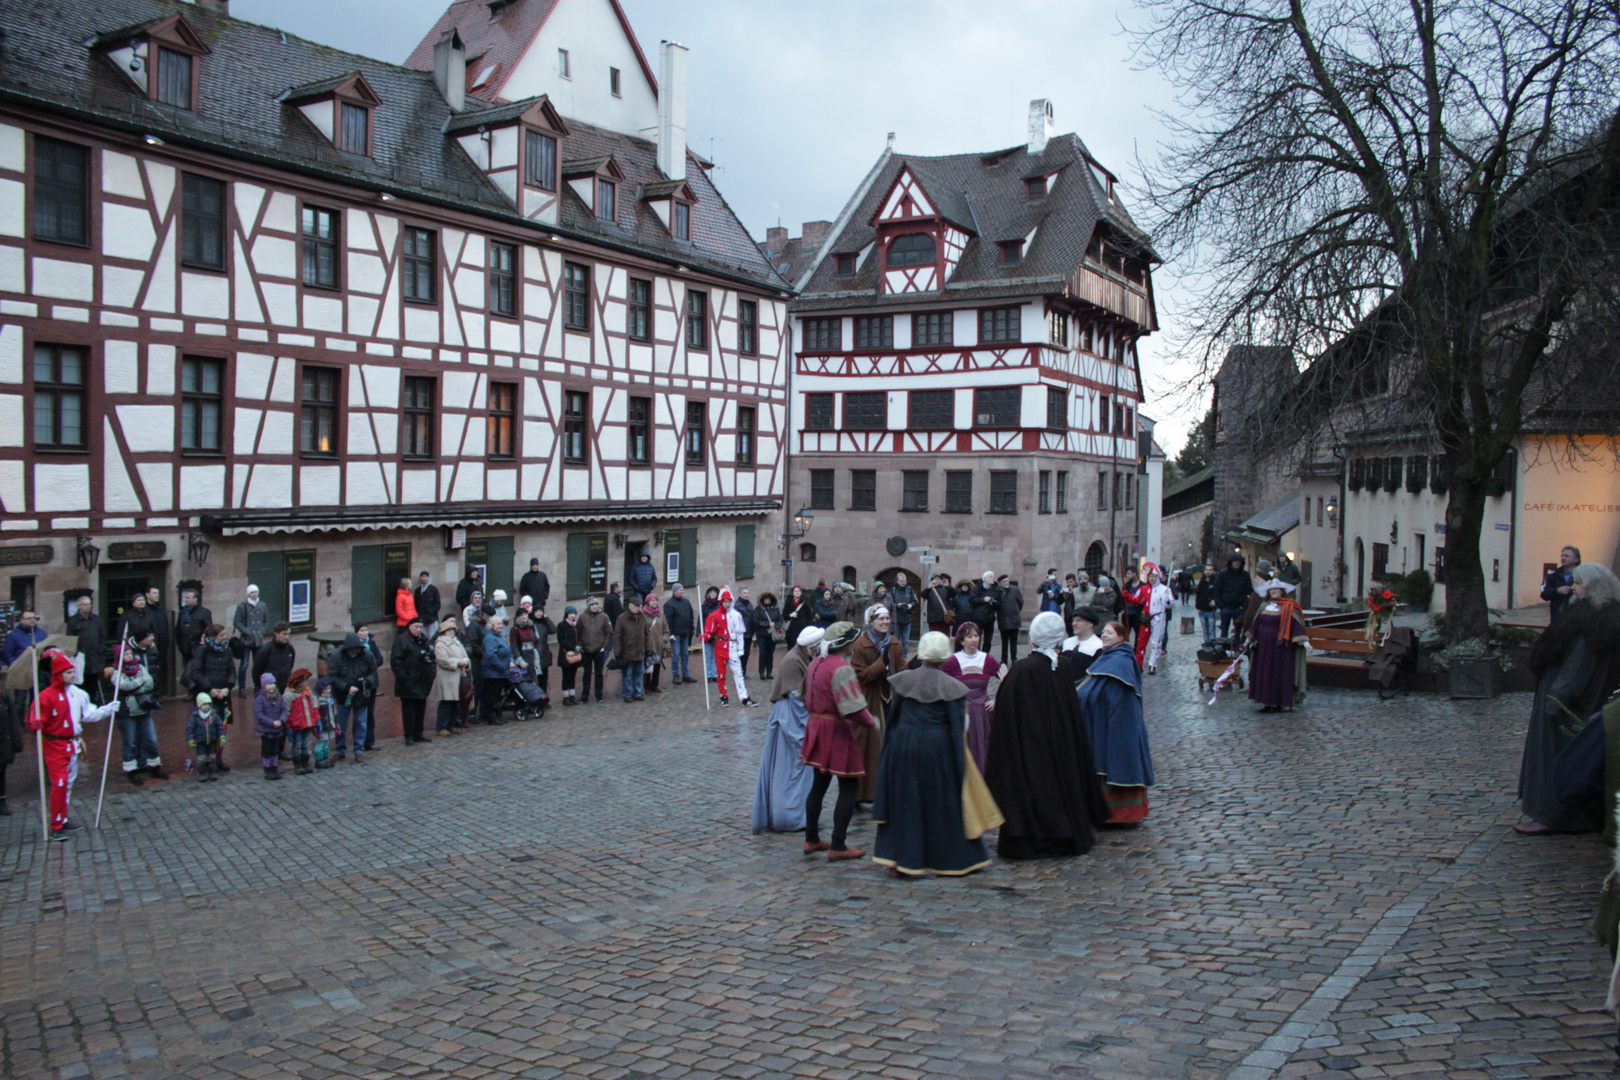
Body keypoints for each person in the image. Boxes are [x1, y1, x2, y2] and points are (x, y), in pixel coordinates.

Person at [872, 631, 1002, 878]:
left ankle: (902, 860)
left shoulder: (904, 681)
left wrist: (888, 753)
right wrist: (959, 767)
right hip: (936, 748)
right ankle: (952, 859)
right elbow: (956, 731)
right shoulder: (953, 688)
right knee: (942, 804)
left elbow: (894, 719)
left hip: (904, 744)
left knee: (906, 801)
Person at [982, 611, 1110, 860]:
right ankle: (1063, 833)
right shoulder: (1061, 665)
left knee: (1033, 789)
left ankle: (1034, 839)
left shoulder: (1023, 669)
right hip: (1058, 744)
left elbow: (1007, 717)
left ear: (1034, 638)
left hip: (1030, 746)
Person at [1517, 562, 1620, 835]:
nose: (1572, 587)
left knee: (1560, 759)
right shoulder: (1600, 617)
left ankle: (1551, 816)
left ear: (1593, 587)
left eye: (1578, 583)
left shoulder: (1589, 621)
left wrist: (1557, 701)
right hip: (1586, 700)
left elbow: (1577, 667)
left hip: (1570, 705)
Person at [799, 622, 879, 861]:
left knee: (819, 785)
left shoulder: (816, 662)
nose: (856, 643)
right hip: (835, 730)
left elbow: (802, 695)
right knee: (849, 786)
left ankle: (811, 838)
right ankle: (838, 845)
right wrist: (871, 721)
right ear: (846, 643)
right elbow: (853, 707)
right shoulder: (841, 669)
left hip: (816, 727)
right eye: (853, 639)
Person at [27, 649, 117, 838]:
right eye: (68, 672)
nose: (73, 675)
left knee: (68, 784)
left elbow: (88, 714)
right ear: (58, 674)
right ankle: (56, 824)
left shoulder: (78, 693)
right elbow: (35, 721)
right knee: (60, 783)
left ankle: (63, 818)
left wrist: (108, 710)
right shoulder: (45, 696)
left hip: (73, 744)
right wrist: (34, 724)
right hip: (54, 745)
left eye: (73, 672)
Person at [1077, 621, 1156, 822]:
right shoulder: (1105, 657)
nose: (1104, 636)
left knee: (1115, 762)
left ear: (1121, 637)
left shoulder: (1121, 661)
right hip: (1101, 720)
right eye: (1103, 632)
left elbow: (1115, 694)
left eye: (1110, 633)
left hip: (1116, 724)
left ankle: (1119, 814)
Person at [752, 626, 824, 834]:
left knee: (800, 769)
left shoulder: (803, 656)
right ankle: (788, 816)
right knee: (790, 769)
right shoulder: (793, 660)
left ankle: (800, 813)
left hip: (795, 714)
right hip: (791, 717)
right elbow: (796, 696)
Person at [850, 604, 905, 801]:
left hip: (891, 700)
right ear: (871, 622)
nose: (885, 622)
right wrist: (882, 664)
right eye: (881, 619)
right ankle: (863, 793)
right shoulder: (860, 645)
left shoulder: (895, 644)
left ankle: (888, 789)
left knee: (891, 745)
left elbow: (900, 671)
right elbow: (860, 676)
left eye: (887, 618)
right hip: (869, 700)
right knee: (869, 748)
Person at [941, 622, 1001, 774]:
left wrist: (997, 700)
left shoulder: (986, 659)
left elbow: (1008, 679)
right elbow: (941, 684)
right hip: (963, 711)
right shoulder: (953, 661)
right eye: (969, 637)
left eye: (976, 636)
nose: (974, 640)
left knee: (983, 747)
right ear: (961, 641)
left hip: (982, 712)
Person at [1244, 582, 1310, 712]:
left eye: (1276, 589)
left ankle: (1284, 702)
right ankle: (1268, 702)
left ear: (1281, 591)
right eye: (1271, 589)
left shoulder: (1289, 606)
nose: (1273, 591)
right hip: (1264, 648)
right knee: (1266, 672)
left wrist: (1306, 643)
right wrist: (1248, 640)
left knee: (1281, 673)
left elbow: (1297, 626)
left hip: (1282, 648)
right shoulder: (1264, 606)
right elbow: (1256, 624)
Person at [113, 630, 165, 785]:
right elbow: (123, 686)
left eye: (130, 655)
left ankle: (154, 765)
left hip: (143, 709)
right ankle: (131, 769)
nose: (130, 657)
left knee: (151, 739)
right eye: (126, 655)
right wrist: (138, 684)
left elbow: (149, 682)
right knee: (130, 742)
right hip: (126, 712)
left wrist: (135, 688)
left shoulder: (140, 667)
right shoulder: (116, 672)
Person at [185, 625, 236, 772]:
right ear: (213, 637)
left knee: (221, 730)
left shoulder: (227, 651)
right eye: (221, 635)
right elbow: (196, 673)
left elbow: (232, 671)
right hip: (208, 697)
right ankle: (205, 761)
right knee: (206, 729)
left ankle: (217, 760)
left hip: (224, 696)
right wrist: (210, 689)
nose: (225, 637)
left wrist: (228, 687)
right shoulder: (202, 651)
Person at [327, 631, 377, 760]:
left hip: (361, 694)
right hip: (343, 695)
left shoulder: (367, 655)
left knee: (360, 723)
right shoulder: (336, 656)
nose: (353, 653)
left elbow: (373, 672)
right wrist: (346, 687)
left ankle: (358, 750)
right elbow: (333, 676)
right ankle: (340, 750)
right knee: (341, 725)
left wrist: (367, 682)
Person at [391, 615, 435, 745]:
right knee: (409, 711)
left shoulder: (423, 640)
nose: (419, 630)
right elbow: (396, 662)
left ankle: (418, 733)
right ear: (409, 627)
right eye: (416, 627)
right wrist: (404, 677)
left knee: (420, 709)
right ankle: (409, 735)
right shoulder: (401, 640)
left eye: (421, 627)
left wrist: (431, 673)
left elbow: (431, 657)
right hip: (408, 681)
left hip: (422, 680)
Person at [65, 595, 109, 702]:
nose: (87, 607)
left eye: (89, 604)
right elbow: (70, 640)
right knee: (80, 684)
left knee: (93, 684)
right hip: (81, 658)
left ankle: (92, 705)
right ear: (79, 606)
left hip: (95, 657)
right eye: (85, 605)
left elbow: (103, 636)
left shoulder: (97, 620)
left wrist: (101, 649)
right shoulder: (73, 621)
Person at [433, 617, 471, 734]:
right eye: (449, 630)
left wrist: (466, 662)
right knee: (446, 702)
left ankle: (452, 724)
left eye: (453, 630)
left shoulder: (457, 642)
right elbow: (443, 660)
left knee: (455, 702)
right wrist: (457, 662)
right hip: (447, 677)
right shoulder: (440, 644)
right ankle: (442, 726)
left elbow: (465, 655)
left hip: (458, 676)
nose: (452, 632)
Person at [611, 595, 650, 703]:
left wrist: (647, 648)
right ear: (630, 606)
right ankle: (627, 694)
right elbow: (617, 636)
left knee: (639, 674)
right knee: (627, 675)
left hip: (640, 651)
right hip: (627, 652)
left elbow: (646, 634)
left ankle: (637, 693)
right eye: (636, 606)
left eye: (640, 606)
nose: (638, 608)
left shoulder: (642, 617)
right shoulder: (622, 618)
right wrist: (617, 652)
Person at [232, 585, 270, 695]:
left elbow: (266, 620)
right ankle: (241, 687)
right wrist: (246, 631)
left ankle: (257, 686)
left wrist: (262, 631)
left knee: (258, 664)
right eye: (252, 592)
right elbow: (237, 622)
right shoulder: (242, 606)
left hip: (258, 639)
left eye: (256, 592)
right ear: (248, 594)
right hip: (246, 640)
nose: (254, 594)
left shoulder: (262, 605)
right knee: (244, 664)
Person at [480, 614, 516, 724]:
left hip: (500, 672)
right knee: (491, 695)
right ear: (492, 626)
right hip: (493, 672)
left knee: (496, 695)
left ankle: (497, 715)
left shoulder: (498, 637)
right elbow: (491, 655)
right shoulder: (490, 638)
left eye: (501, 624)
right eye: (498, 624)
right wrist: (501, 666)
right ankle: (492, 717)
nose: (500, 626)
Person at [253, 672, 288, 781]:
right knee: (267, 750)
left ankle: (274, 768)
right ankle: (267, 770)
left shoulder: (279, 697)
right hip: (266, 730)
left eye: (273, 683)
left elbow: (284, 710)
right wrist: (271, 722)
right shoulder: (260, 699)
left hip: (277, 729)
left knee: (275, 750)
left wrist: (281, 720)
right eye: (269, 684)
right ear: (264, 686)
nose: (271, 686)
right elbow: (259, 715)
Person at [577, 598, 612, 704]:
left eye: (596, 604)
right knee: (586, 673)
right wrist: (580, 646)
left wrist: (604, 647)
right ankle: (585, 696)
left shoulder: (604, 617)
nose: (594, 606)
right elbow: (578, 632)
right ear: (588, 606)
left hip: (598, 649)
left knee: (598, 673)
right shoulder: (583, 617)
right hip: (586, 650)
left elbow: (609, 633)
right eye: (592, 604)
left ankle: (599, 695)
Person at [284, 668, 319, 774]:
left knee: (306, 744)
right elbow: (286, 712)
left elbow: (314, 706)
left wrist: (317, 720)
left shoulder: (308, 693)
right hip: (297, 725)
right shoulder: (289, 695)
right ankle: (297, 764)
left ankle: (305, 762)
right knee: (297, 744)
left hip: (308, 723)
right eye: (304, 681)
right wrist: (288, 727)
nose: (306, 683)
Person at [356, 624, 384, 751]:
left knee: (370, 713)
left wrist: (371, 664)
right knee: (360, 713)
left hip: (371, 683)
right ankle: (359, 742)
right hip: (359, 683)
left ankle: (370, 741)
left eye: (366, 630)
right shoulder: (354, 645)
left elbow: (379, 659)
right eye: (361, 630)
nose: (364, 633)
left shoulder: (371, 643)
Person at [186, 691, 225, 783]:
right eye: (204, 704)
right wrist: (190, 739)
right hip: (200, 742)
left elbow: (220, 726)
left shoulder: (214, 715)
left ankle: (212, 771)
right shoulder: (195, 716)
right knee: (201, 758)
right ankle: (201, 772)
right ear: (199, 705)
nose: (207, 706)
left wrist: (222, 736)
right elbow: (190, 729)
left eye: (208, 704)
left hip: (212, 741)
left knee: (212, 757)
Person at [175, 588, 212, 685]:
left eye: (188, 598)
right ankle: (191, 690)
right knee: (187, 671)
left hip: (198, 647)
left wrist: (203, 640)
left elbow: (209, 629)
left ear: (195, 599)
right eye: (185, 598)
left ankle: (198, 689)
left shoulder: (204, 612)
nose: (186, 600)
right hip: (185, 647)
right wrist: (179, 643)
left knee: (197, 669)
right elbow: (178, 629)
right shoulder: (183, 612)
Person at [1061, 607, 1106, 679]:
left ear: (1090, 623)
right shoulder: (1067, 643)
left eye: (1079, 621)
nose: (1074, 624)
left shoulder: (1098, 646)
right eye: (1073, 621)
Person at [1145, 568, 1176, 675]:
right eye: (1150, 576)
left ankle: (1152, 664)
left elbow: (1171, 605)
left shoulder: (1164, 589)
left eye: (1154, 576)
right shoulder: (1146, 588)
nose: (1152, 579)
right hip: (1147, 618)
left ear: (1158, 577)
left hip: (1159, 618)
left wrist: (1168, 600)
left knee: (1156, 641)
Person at [1213, 554, 1251, 639]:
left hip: (1238, 607)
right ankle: (1222, 648)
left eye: (1238, 561)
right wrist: (1220, 604)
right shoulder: (1223, 575)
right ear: (1231, 563)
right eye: (1235, 561)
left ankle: (1236, 648)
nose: (1236, 563)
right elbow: (1217, 589)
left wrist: (1243, 605)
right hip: (1225, 606)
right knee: (1224, 631)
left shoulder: (1245, 575)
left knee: (1238, 631)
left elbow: (1249, 591)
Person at [665, 584, 697, 684]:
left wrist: (691, 628)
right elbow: (668, 621)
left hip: (685, 632)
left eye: (682, 590)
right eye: (680, 590)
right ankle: (676, 674)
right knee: (676, 655)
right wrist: (671, 633)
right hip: (676, 634)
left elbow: (691, 615)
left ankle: (686, 674)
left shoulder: (686, 602)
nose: (682, 592)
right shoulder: (669, 604)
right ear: (675, 592)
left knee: (685, 654)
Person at [1541, 546, 1582, 622]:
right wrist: (1557, 590)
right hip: (1558, 617)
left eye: (1567, 556)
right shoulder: (1552, 575)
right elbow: (1544, 595)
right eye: (1562, 556)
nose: (1563, 558)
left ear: (1576, 559)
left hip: (1578, 616)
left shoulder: (1584, 575)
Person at [253, 621, 296, 693]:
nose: (287, 637)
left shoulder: (290, 649)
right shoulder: (266, 650)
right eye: (284, 634)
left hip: (284, 689)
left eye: (289, 634)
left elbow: (290, 666)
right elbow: (256, 671)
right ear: (276, 634)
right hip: (269, 690)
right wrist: (261, 687)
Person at [143, 587, 171, 693]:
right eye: (154, 593)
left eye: (158, 593)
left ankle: (157, 694)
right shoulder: (145, 610)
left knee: (158, 671)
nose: (157, 595)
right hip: (149, 646)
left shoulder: (161, 608)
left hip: (162, 645)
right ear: (147, 595)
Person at [643, 591, 671, 693]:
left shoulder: (660, 615)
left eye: (656, 600)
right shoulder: (643, 614)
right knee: (647, 665)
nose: (655, 602)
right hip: (648, 644)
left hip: (658, 644)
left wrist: (663, 639)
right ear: (648, 602)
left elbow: (666, 630)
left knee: (657, 665)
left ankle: (654, 685)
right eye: (653, 600)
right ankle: (646, 686)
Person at [753, 592, 784, 680]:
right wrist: (767, 624)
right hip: (762, 634)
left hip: (772, 635)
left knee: (770, 654)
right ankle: (762, 672)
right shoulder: (758, 609)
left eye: (769, 599)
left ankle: (769, 672)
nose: (767, 600)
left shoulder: (776, 609)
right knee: (762, 653)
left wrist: (775, 626)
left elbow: (780, 620)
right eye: (766, 599)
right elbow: (756, 621)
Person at [969, 572, 1001, 654]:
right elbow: (972, 600)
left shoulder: (995, 589)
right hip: (978, 618)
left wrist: (994, 602)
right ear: (985, 578)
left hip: (990, 618)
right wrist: (983, 600)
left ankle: (985, 656)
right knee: (977, 638)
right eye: (990, 576)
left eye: (993, 576)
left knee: (988, 640)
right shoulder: (977, 588)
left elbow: (999, 602)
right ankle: (976, 654)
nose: (992, 578)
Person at [557, 606, 583, 706]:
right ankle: (565, 697)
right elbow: (561, 640)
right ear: (566, 614)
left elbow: (579, 638)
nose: (572, 615)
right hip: (566, 655)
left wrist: (578, 646)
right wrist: (572, 647)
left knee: (573, 676)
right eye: (570, 613)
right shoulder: (562, 625)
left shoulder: (575, 626)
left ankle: (572, 696)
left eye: (574, 613)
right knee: (566, 676)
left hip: (575, 654)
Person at [998, 575, 1024, 663]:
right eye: (1003, 582)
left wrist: (1015, 611)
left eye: (1007, 581)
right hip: (1003, 619)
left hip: (1014, 619)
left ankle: (1014, 658)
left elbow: (1020, 602)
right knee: (1004, 641)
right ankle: (1004, 659)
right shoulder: (998, 591)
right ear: (1000, 583)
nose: (1006, 583)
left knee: (1013, 640)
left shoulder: (1015, 590)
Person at [890, 571, 918, 652]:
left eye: (904, 581)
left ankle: (905, 658)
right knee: (896, 640)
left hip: (907, 619)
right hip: (896, 619)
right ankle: (895, 657)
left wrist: (911, 605)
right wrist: (897, 605)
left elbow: (915, 601)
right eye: (901, 581)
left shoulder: (910, 590)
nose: (903, 583)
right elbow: (890, 603)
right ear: (897, 581)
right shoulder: (893, 591)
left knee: (905, 641)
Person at [733, 587, 756, 674]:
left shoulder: (750, 605)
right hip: (740, 634)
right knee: (740, 653)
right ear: (740, 594)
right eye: (744, 593)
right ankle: (739, 670)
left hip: (749, 633)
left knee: (746, 653)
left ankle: (743, 671)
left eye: (747, 593)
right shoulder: (737, 605)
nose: (746, 595)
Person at [1195, 568, 1218, 642]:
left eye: (1210, 570)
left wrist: (1215, 601)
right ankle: (1206, 645)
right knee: (1205, 630)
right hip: (1202, 609)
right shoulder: (1202, 581)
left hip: (1211, 610)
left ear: (1213, 571)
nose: (1208, 571)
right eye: (1207, 570)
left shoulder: (1215, 581)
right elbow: (1198, 594)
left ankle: (1212, 646)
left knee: (1211, 630)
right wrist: (1197, 606)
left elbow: (1217, 593)